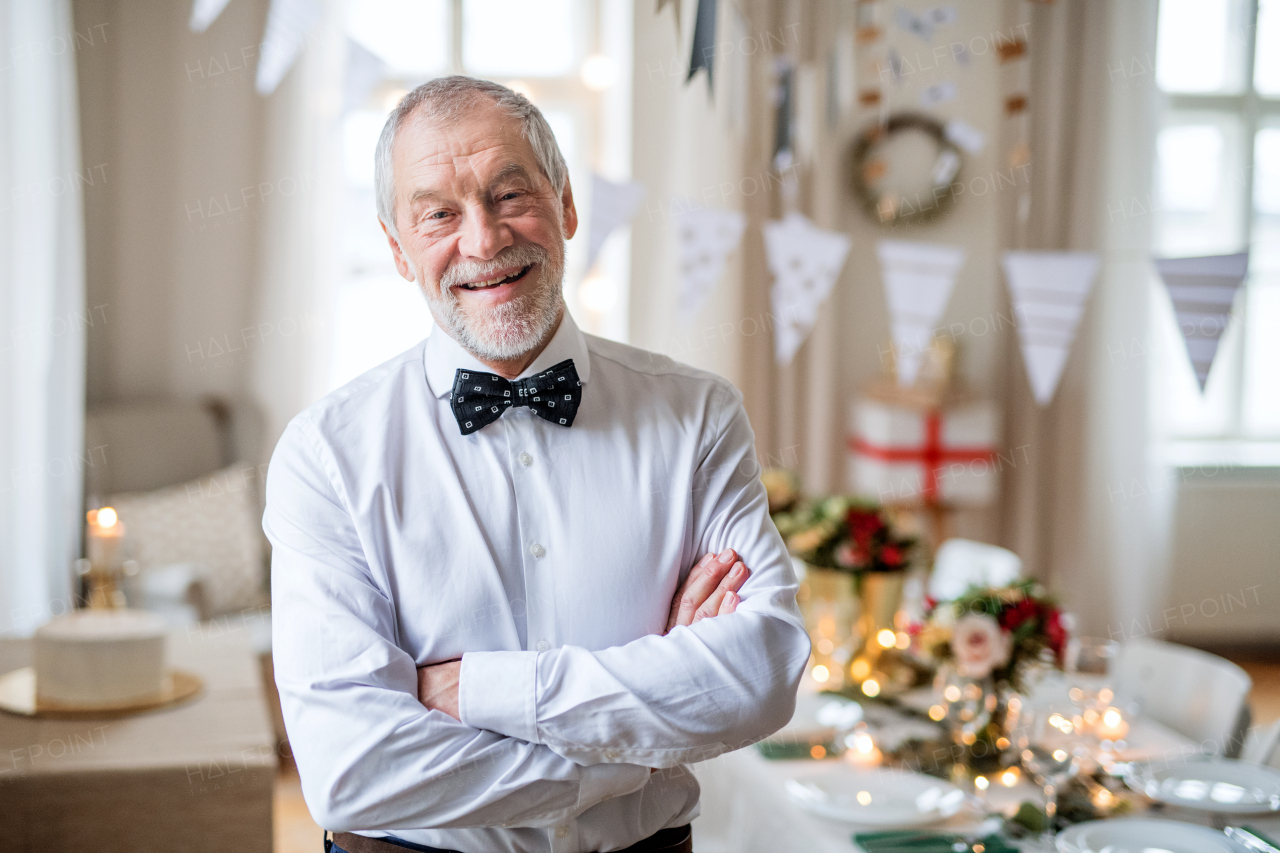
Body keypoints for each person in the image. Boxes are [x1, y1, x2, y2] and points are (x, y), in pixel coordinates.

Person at [265, 75, 810, 853]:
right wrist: (633, 754)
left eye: (509, 195)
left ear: (567, 204)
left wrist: (478, 691)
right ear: (395, 248)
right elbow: (353, 768)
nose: (484, 241)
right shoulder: (326, 456)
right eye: (439, 214)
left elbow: (760, 673)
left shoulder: (697, 416)